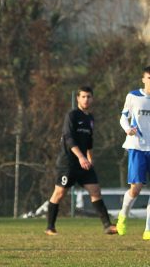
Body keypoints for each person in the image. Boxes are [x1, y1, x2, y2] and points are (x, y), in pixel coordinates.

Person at [45, 86, 117, 236]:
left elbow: (89, 141)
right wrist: (81, 157)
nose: (86, 99)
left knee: (95, 191)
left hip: (84, 163)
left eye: (89, 97)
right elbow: (69, 139)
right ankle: (50, 227)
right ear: (78, 98)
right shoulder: (72, 116)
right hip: (69, 164)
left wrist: (90, 158)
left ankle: (107, 226)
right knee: (59, 193)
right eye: (83, 96)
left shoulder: (90, 118)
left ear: (92, 99)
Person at [116, 66, 150, 240]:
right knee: (136, 189)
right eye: (149, 78)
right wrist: (128, 129)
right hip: (137, 147)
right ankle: (122, 216)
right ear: (143, 79)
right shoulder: (134, 96)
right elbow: (123, 116)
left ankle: (148, 230)